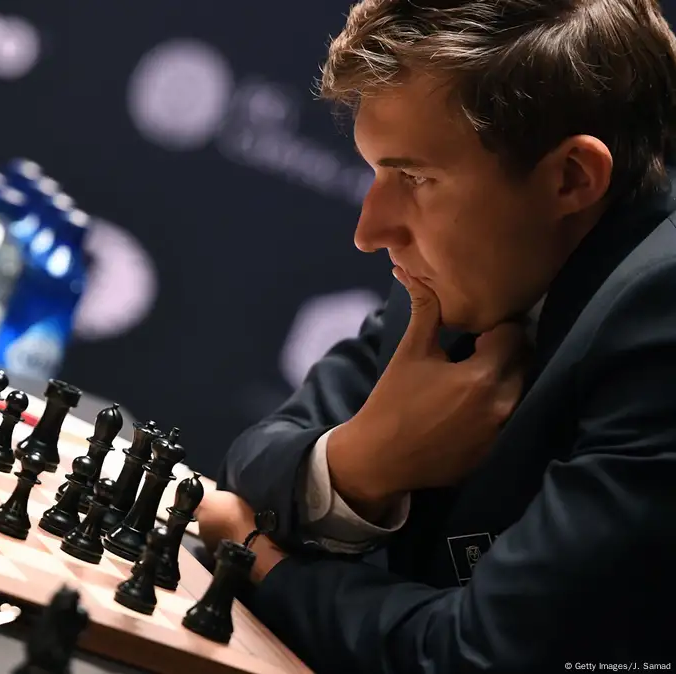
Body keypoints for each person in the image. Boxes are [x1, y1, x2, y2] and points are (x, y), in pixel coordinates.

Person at [201, 1, 676, 672]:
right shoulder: (485, 256)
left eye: (414, 178)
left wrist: (259, 558)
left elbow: (477, 656)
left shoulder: (660, 313)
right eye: (375, 173)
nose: (369, 232)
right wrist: (363, 464)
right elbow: (260, 456)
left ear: (570, 178)